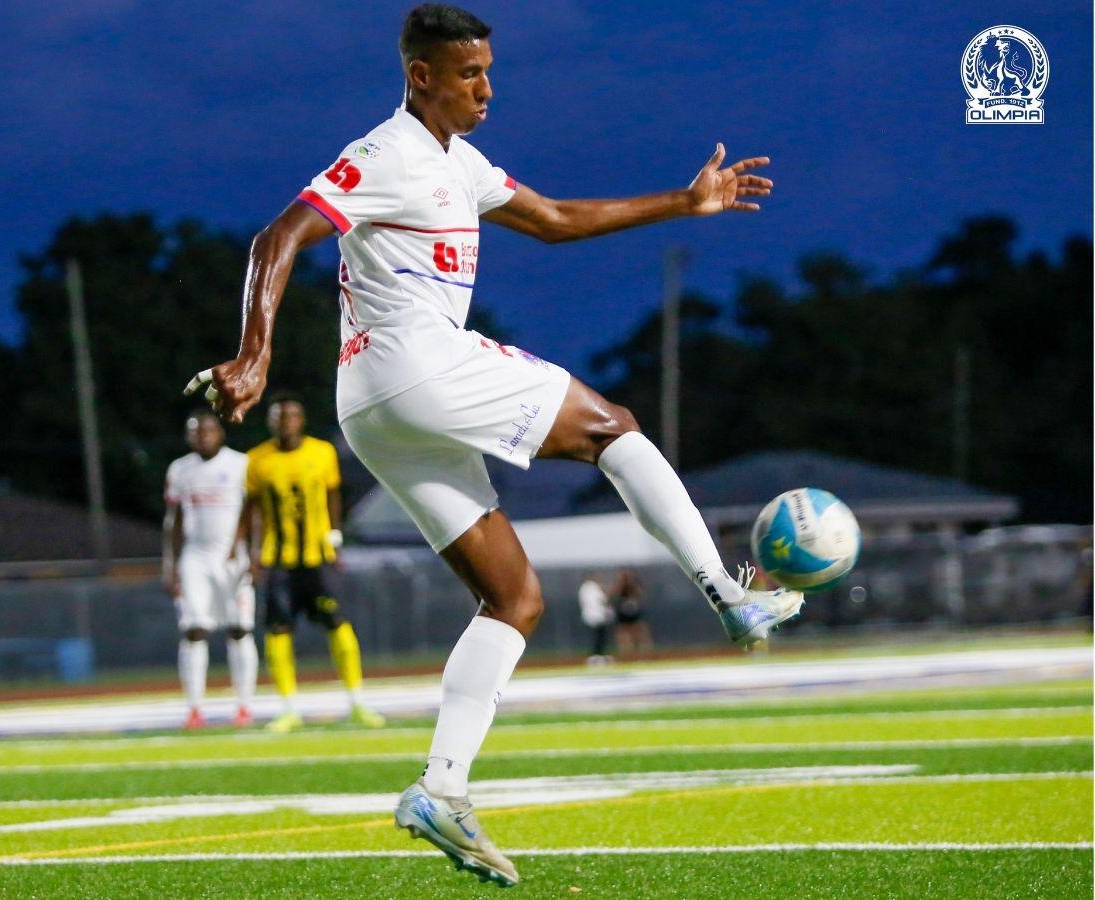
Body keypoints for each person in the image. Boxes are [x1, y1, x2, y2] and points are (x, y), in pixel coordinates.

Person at [185, 4, 801, 885]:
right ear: (419, 75)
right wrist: (254, 353)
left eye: (488, 70)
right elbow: (277, 235)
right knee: (613, 428)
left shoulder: (459, 162)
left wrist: (684, 199)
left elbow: (553, 218)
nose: (485, 86)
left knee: (514, 598)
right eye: (467, 72)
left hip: (375, 410)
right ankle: (728, 593)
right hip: (415, 369)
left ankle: (441, 789)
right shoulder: (387, 152)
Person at [241, 393, 385, 732]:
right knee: (278, 628)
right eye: (279, 416)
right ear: (270, 422)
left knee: (337, 621)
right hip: (278, 559)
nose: (285, 422)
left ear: (300, 420)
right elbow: (253, 510)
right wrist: (252, 552)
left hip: (318, 556)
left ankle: (356, 701)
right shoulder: (257, 460)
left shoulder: (322, 452)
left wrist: (335, 536)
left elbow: (333, 494)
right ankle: (289, 709)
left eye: (291, 415)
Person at [162, 412, 258, 729]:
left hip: (233, 558)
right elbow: (173, 521)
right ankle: (194, 709)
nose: (203, 436)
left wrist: (249, 552)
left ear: (220, 433)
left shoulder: (241, 464)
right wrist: (171, 564)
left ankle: (244, 706)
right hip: (195, 558)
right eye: (196, 431)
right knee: (193, 629)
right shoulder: (179, 469)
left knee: (239, 628)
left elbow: (253, 511)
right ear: (189, 437)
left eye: (208, 430)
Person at [610, 568, 653, 657]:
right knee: (623, 632)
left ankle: (643, 651)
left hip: (633, 611)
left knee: (639, 631)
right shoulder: (619, 587)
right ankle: (626, 653)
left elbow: (640, 595)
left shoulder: (633, 585)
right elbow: (613, 596)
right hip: (622, 612)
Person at [576, 572, 613, 664]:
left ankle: (598, 655)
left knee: (599, 636)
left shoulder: (584, 588)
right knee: (598, 636)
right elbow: (601, 600)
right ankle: (596, 655)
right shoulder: (592, 587)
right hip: (596, 615)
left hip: (592, 615)